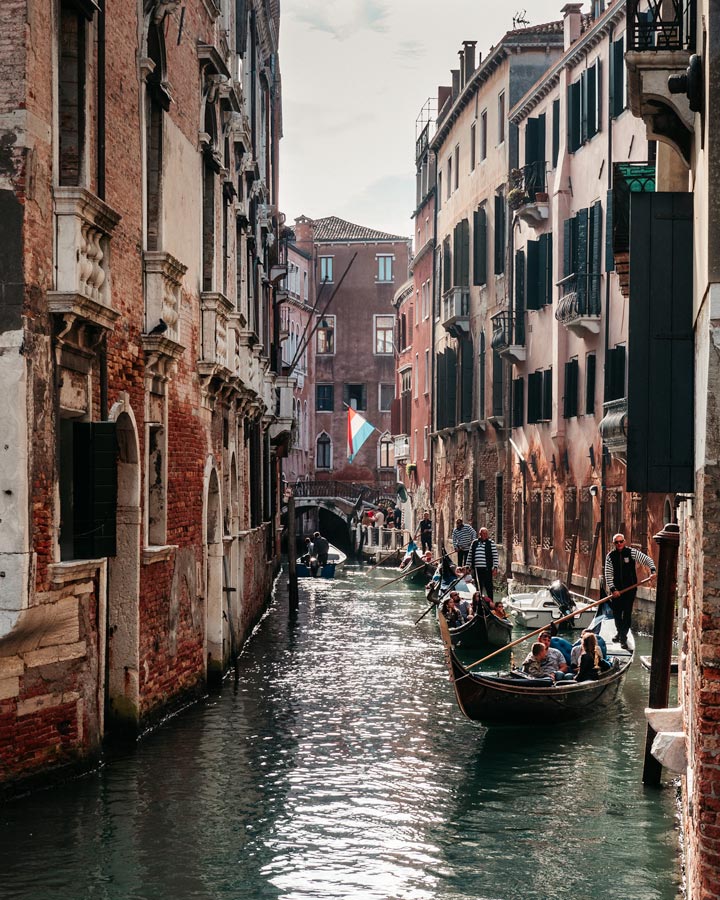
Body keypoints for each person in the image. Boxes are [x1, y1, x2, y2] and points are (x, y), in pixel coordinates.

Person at [603, 533, 657, 649]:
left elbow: (647, 560)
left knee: (627, 614)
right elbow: (608, 574)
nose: (619, 544)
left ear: (624, 541)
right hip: (616, 591)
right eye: (616, 542)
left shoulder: (631, 552)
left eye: (621, 541)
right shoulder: (610, 556)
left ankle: (623, 638)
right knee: (617, 614)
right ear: (614, 544)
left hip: (630, 590)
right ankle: (620, 633)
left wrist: (652, 571)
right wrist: (613, 589)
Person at [468, 527, 499, 600]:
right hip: (476, 569)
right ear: (480, 534)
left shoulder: (491, 543)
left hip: (487, 569)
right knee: (478, 587)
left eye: (486, 534)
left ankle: (491, 602)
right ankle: (478, 602)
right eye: (483, 533)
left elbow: (495, 556)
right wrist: (467, 566)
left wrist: (495, 567)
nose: (485, 535)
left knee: (488, 586)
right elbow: (470, 555)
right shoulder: (474, 543)